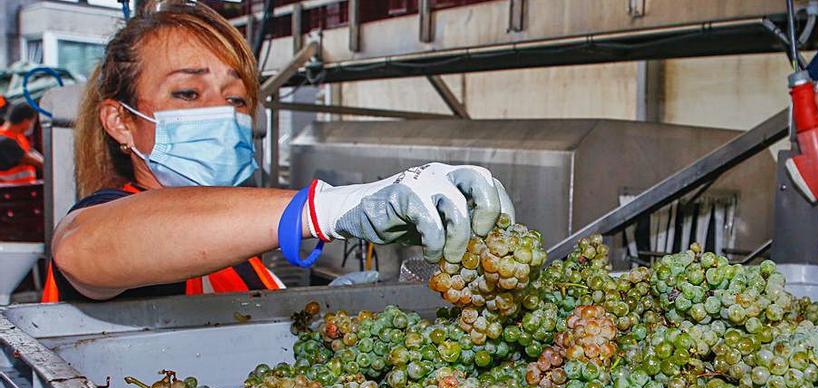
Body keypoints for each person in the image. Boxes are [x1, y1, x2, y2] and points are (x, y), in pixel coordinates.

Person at [43, 2, 511, 302]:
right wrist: (323, 206)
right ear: (121, 121)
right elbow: (81, 249)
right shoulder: (104, 221)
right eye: (187, 93)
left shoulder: (240, 257)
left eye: (236, 98)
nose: (223, 115)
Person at [0, 103, 43, 185]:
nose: (31, 126)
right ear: (26, 121)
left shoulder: (19, 137)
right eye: (31, 122)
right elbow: (32, 160)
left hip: (25, 189)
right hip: (9, 192)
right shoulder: (4, 140)